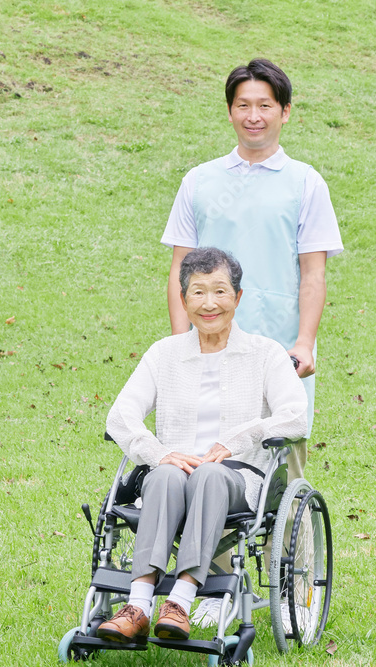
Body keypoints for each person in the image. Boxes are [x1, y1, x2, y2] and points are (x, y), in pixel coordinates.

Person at [161, 58, 342, 626]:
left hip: (277, 355)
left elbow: (312, 273)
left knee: (282, 470)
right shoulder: (200, 180)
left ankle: (297, 595)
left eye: (266, 105)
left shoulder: (305, 183)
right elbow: (178, 272)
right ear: (230, 111)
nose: (254, 115)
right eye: (244, 105)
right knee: (207, 464)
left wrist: (305, 343)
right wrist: (179, 345)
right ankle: (210, 591)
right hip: (209, 346)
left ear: (285, 112)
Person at [97, 247, 308, 644]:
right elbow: (119, 415)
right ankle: (138, 605)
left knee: (209, 474)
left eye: (220, 291)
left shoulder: (265, 355)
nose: (209, 303)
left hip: (238, 479)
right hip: (172, 474)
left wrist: (236, 439)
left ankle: (180, 599)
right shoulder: (164, 354)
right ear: (183, 300)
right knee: (161, 477)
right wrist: (157, 452)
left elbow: (296, 415)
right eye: (197, 292)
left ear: (238, 298)